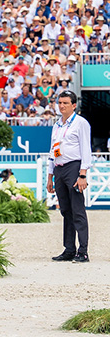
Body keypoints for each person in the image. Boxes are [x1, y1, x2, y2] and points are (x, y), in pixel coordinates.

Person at [47, 90, 92, 262]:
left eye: (65, 103)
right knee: (65, 210)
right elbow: (53, 150)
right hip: (59, 168)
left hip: (74, 167)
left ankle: (83, 251)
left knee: (77, 210)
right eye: (60, 103)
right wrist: (50, 176)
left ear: (74, 105)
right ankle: (69, 249)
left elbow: (86, 149)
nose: (62, 106)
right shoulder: (57, 125)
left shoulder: (81, 123)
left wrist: (82, 174)